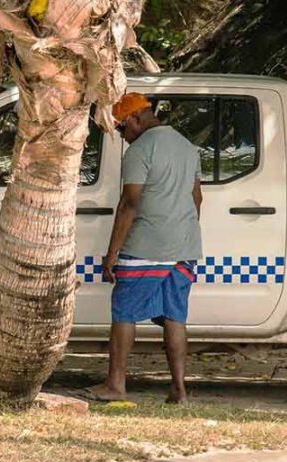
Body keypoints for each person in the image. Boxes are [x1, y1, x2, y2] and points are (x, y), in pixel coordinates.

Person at [86, 92, 203, 405]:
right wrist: (182, 234)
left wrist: (112, 253)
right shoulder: (186, 146)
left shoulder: (140, 150)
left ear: (135, 119)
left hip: (147, 245)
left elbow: (130, 204)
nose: (123, 138)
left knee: (124, 310)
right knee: (175, 317)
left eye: (122, 129)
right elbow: (197, 199)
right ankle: (179, 389)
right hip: (185, 246)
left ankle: (115, 384)